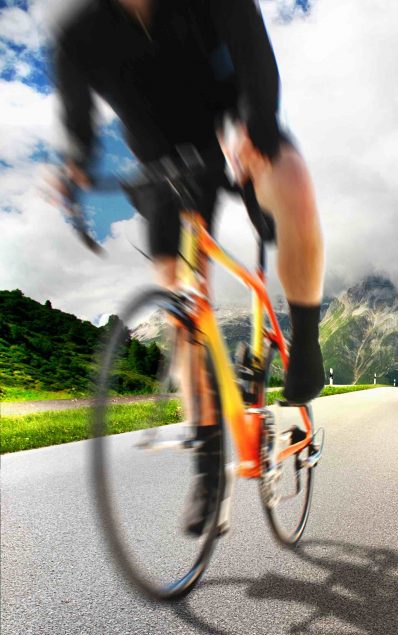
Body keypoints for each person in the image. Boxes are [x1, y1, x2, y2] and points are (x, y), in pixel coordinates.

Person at [51, 0, 325, 533]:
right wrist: (75, 170)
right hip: (164, 169)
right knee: (180, 305)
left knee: (290, 179)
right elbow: (78, 127)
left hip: (236, 131)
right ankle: (208, 466)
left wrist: (258, 125)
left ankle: (306, 344)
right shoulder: (79, 34)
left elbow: (254, 58)